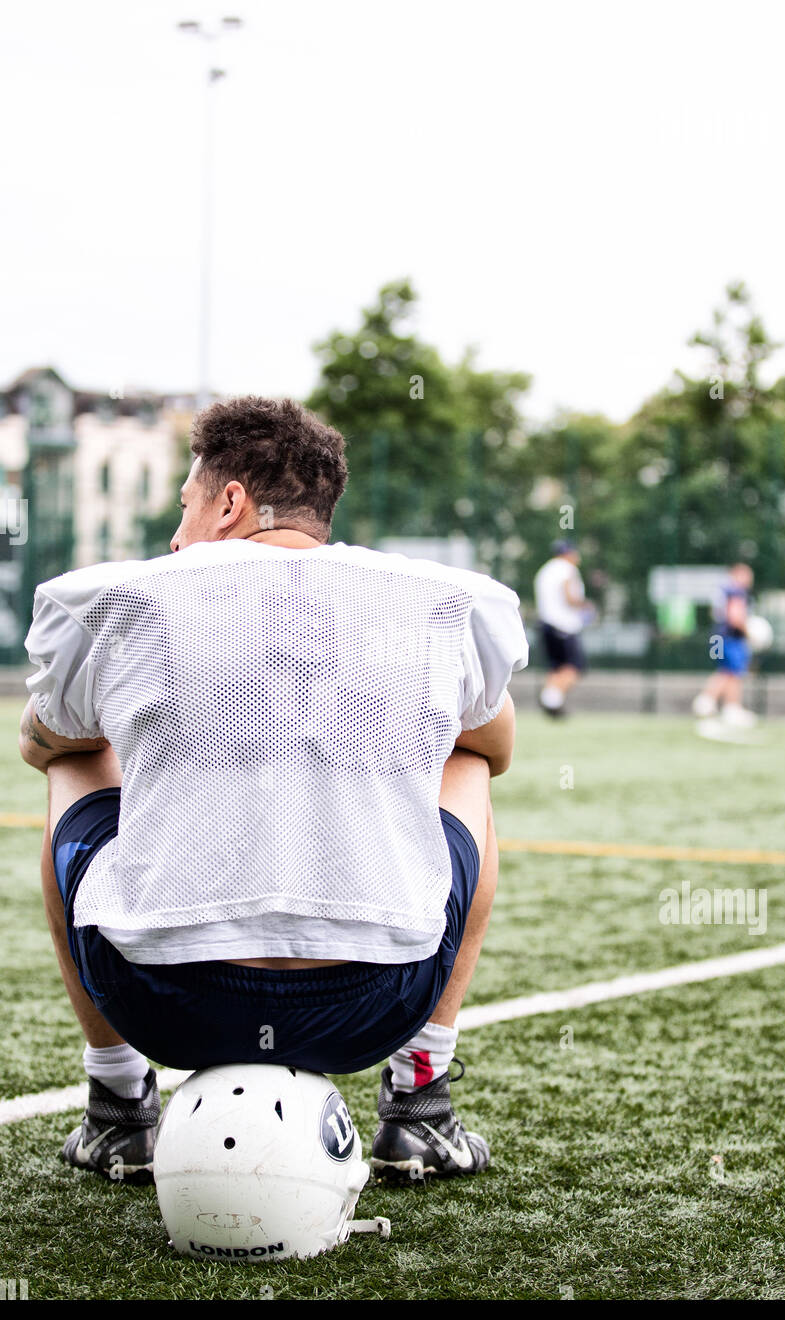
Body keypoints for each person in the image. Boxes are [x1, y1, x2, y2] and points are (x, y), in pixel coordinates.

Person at [19, 396, 528, 1187]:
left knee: (72, 767)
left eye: (186, 506)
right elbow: (495, 744)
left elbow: (43, 740)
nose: (176, 535)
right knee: (464, 766)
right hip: (375, 1000)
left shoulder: (125, 597)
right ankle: (421, 1099)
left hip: (161, 998)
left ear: (230, 502)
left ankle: (118, 1104)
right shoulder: (431, 600)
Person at [692, 562, 756, 727]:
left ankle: (724, 706)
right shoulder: (735, 591)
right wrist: (751, 634)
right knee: (733, 670)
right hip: (730, 638)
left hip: (717, 637)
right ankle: (712, 702)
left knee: (726, 670)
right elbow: (735, 617)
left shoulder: (722, 590)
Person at [533, 541, 591, 716]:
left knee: (556, 667)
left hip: (546, 624)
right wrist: (585, 605)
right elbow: (569, 597)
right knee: (574, 666)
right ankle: (550, 699)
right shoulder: (566, 569)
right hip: (563, 626)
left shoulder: (545, 570)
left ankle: (552, 703)